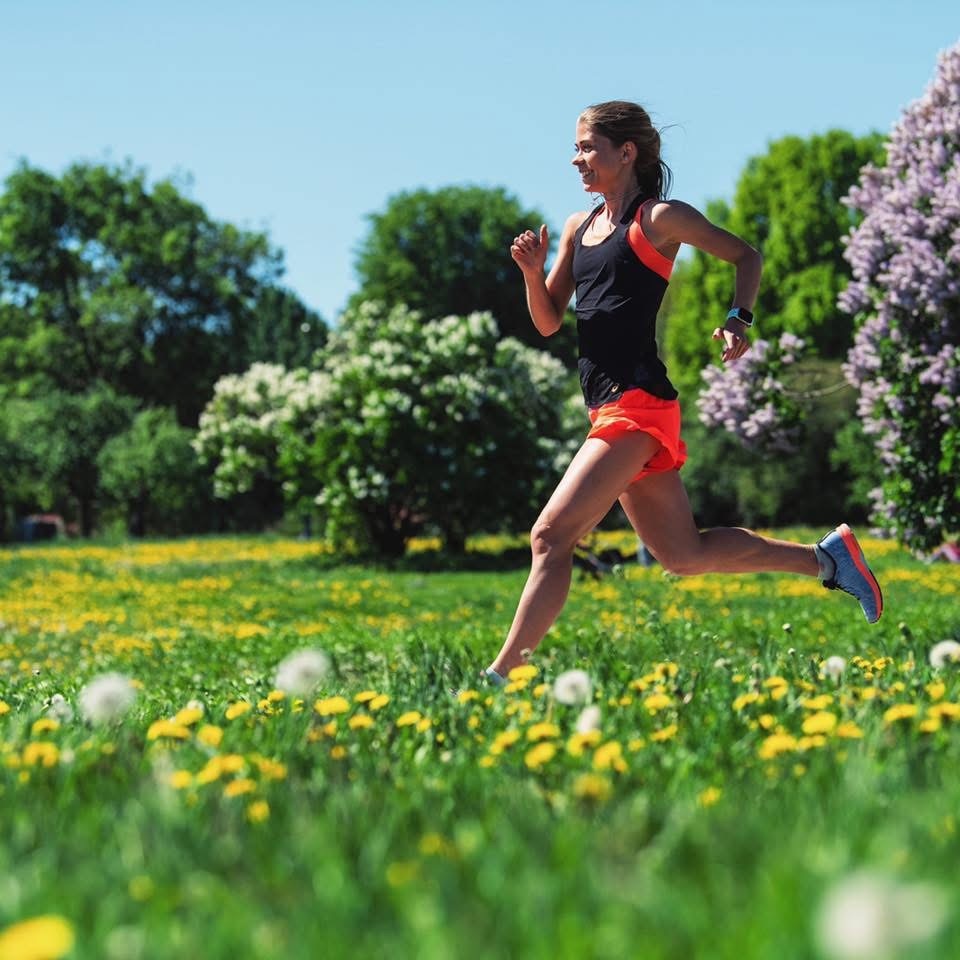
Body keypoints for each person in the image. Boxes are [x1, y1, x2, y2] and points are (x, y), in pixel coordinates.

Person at [482, 100, 883, 686]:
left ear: (627, 153)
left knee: (550, 535)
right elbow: (547, 321)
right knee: (684, 555)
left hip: (636, 407)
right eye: (576, 148)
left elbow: (746, 254)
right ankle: (827, 558)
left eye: (588, 147)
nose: (577, 159)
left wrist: (738, 317)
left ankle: (501, 675)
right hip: (608, 407)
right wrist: (531, 271)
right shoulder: (578, 227)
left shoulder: (658, 220)